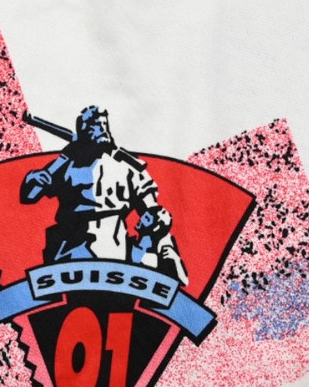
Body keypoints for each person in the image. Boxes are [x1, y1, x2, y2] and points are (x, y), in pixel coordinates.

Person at [21, 105, 188, 284]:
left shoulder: (128, 167)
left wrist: (167, 253)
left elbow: (154, 214)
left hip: (115, 248)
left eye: (104, 124)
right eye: (94, 125)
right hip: (71, 244)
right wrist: (33, 179)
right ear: (82, 130)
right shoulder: (65, 164)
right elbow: (30, 196)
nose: (101, 129)